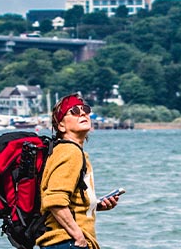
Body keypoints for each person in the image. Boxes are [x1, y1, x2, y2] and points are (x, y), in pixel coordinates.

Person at [36, 94, 120, 249]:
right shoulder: (70, 152)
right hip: (67, 243)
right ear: (61, 125)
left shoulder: (64, 151)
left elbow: (64, 198)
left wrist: (95, 205)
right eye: (74, 111)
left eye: (85, 109)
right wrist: (79, 238)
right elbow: (55, 200)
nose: (82, 113)